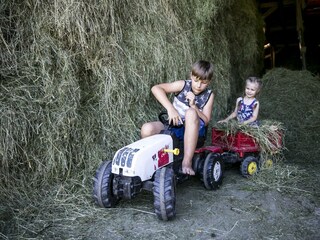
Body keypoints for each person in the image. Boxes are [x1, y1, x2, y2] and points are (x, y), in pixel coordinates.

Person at [140, 60, 215, 175]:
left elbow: (205, 121)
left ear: (209, 82)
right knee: (147, 128)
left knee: (190, 113)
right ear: (191, 75)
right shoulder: (183, 85)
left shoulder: (209, 95)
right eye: (196, 80)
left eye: (203, 82)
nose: (199, 85)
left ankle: (186, 162)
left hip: (194, 132)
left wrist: (194, 106)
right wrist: (171, 109)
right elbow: (156, 88)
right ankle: (150, 163)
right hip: (174, 126)